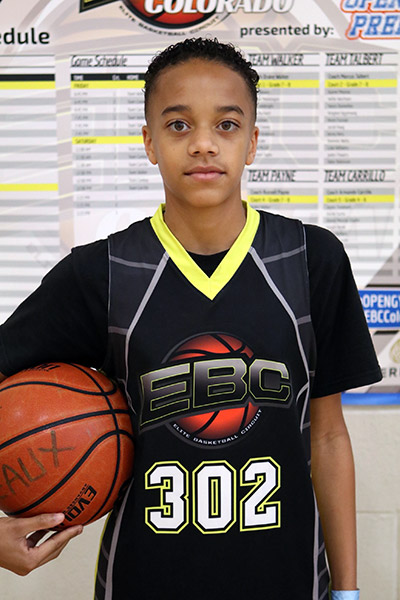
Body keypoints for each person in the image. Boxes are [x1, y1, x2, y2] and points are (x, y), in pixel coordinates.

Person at [0, 38, 381, 599]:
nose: (203, 143)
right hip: (143, 580)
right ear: (149, 142)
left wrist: (347, 592)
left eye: (226, 125)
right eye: (178, 125)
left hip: (290, 581)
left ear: (252, 142)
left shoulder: (309, 259)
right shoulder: (103, 272)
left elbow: (327, 436)